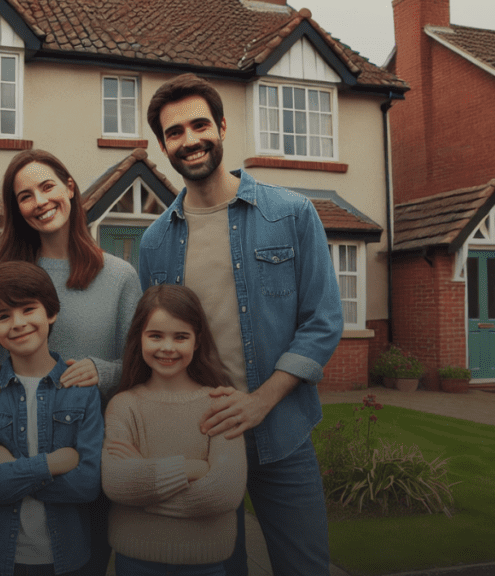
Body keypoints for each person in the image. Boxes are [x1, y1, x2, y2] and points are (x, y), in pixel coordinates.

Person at [139, 73, 344, 576]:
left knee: (306, 566)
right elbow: (155, 346)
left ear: (223, 127)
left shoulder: (291, 214)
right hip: (201, 436)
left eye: (199, 124)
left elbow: (323, 321)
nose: (189, 140)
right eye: (174, 132)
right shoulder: (154, 243)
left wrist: (260, 402)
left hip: (281, 429)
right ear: (163, 145)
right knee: (216, 569)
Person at [0, 149, 142, 575]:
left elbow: (139, 366)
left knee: (83, 561)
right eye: (25, 196)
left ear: (69, 188)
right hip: (9, 451)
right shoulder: (3, 275)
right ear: (17, 209)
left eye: (47, 187)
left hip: (84, 458)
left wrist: (105, 372)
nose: (40, 201)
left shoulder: (119, 276)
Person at [0, 261, 104, 576]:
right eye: (3, 316)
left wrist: (6, 468)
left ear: (50, 312)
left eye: (27, 309)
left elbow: (87, 485)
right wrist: (51, 464)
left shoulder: (81, 390)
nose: (18, 323)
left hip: (67, 558)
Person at [102, 284, 246, 576]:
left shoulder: (221, 403)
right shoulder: (123, 405)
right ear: (139, 338)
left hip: (206, 562)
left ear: (196, 341)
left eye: (180, 337)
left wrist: (142, 477)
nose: (167, 347)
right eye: (155, 336)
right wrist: (193, 468)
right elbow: (117, 483)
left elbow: (224, 491)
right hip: (135, 559)